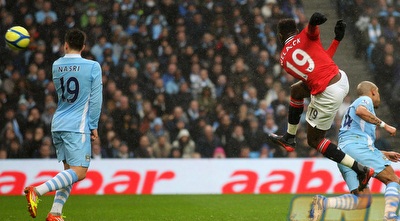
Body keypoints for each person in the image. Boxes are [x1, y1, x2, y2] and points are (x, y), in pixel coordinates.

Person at [268, 12, 374, 190]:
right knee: (296, 90)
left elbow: (312, 64)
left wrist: (312, 24)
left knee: (315, 141)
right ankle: (289, 137)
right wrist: (334, 38)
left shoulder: (284, 60)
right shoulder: (306, 35)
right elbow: (321, 59)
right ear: (296, 29)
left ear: (280, 36)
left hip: (328, 91)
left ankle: (361, 169)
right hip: (341, 78)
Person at [23, 29, 103, 221]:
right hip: (77, 124)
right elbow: (96, 99)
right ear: (84, 47)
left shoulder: (56, 65)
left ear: (65, 44)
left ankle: (55, 213)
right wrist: (93, 124)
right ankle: (37, 191)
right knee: (80, 172)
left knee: (69, 172)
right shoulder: (93, 66)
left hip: (58, 122)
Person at [309, 81, 399, 221]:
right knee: (392, 179)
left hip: (344, 154)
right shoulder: (365, 100)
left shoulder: (350, 110)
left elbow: (354, 140)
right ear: (373, 91)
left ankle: (324, 202)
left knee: (363, 200)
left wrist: (383, 153)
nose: (379, 96)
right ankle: (390, 216)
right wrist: (385, 125)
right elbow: (361, 111)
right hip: (358, 148)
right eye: (378, 93)